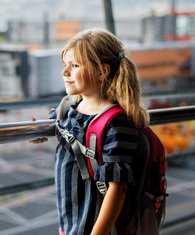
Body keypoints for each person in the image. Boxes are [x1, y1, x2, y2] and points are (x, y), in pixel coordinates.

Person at [31, 28, 149, 235]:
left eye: (74, 65)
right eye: (64, 65)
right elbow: (56, 121)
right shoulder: (68, 108)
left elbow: (117, 188)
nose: (64, 72)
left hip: (95, 227)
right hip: (71, 222)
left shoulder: (117, 123)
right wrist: (38, 129)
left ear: (102, 72)